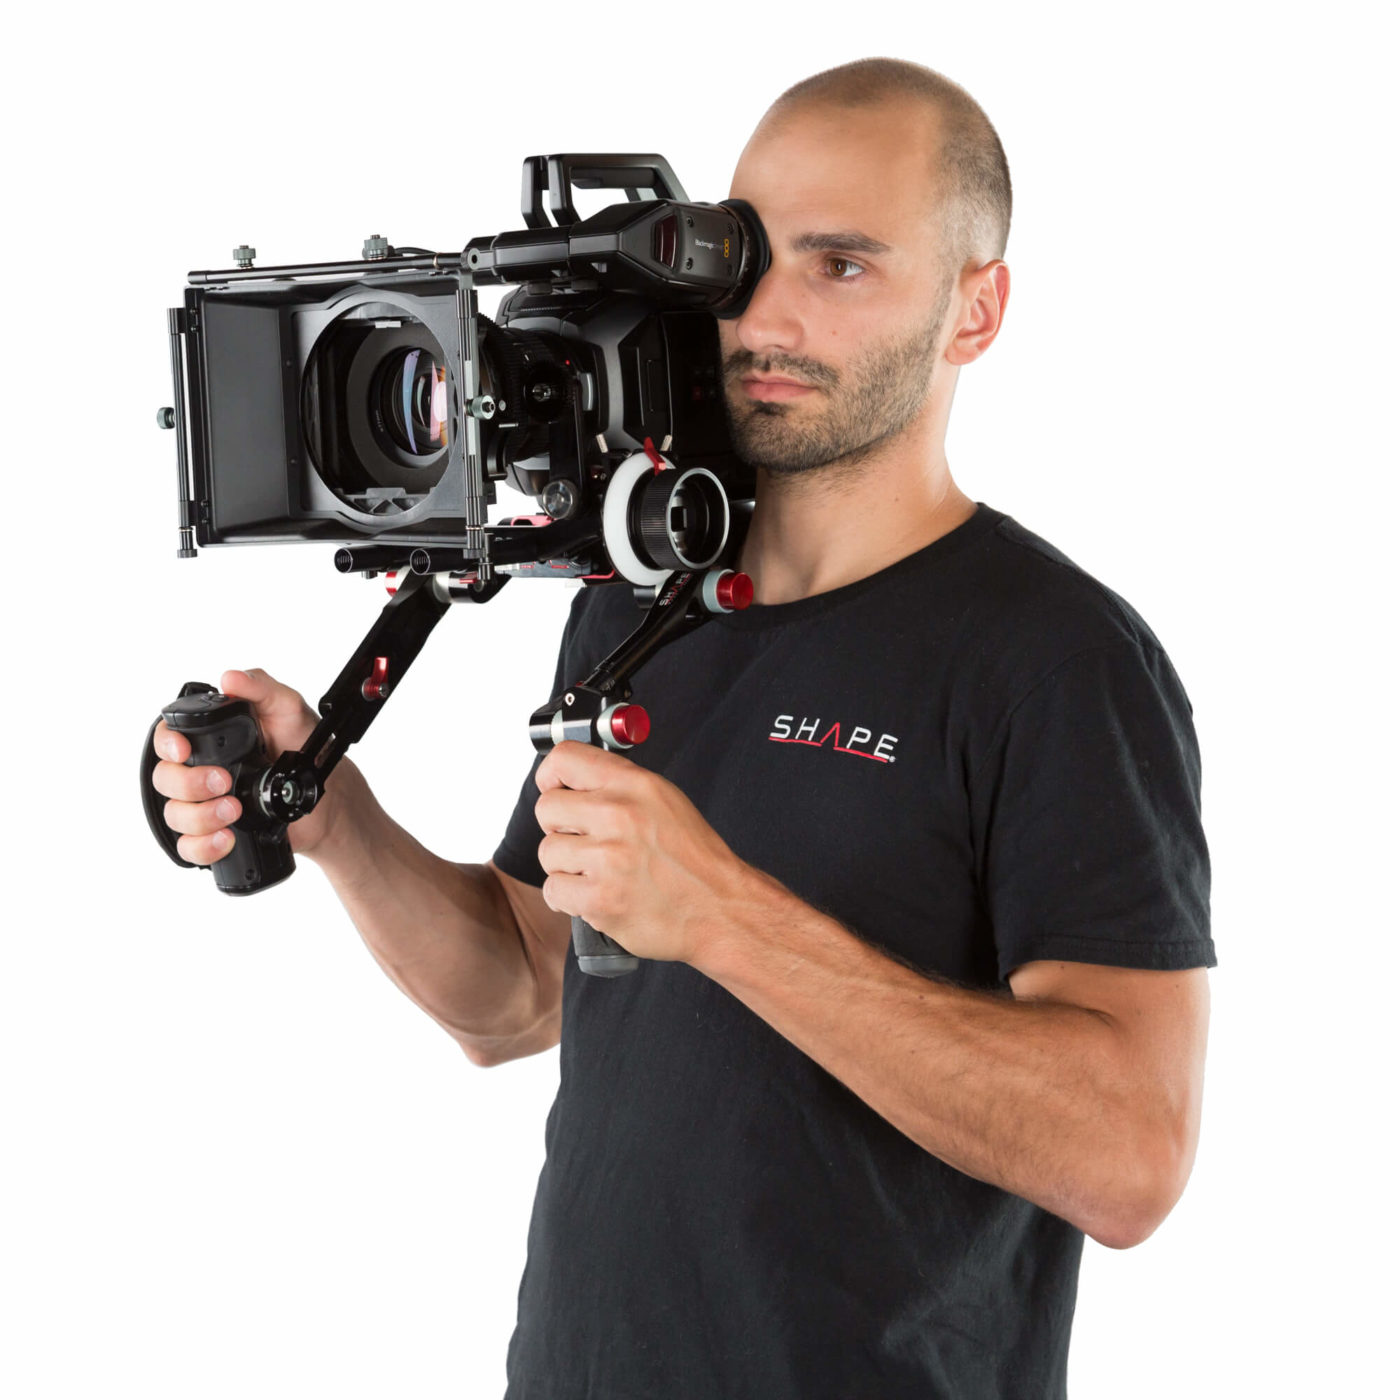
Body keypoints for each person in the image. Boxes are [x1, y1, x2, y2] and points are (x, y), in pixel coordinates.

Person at [150, 57, 1214, 1400]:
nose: (765, 318)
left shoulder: (1058, 660)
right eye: (745, 261)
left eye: (842, 266)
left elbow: (1130, 1157)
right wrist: (334, 821)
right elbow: (521, 992)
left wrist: (721, 915)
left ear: (975, 310)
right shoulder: (640, 599)